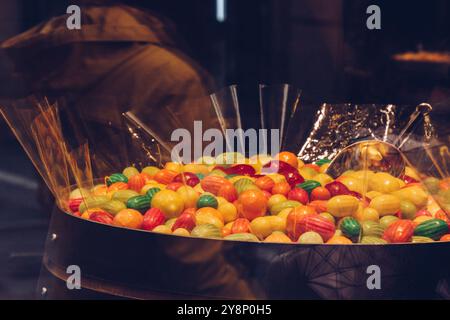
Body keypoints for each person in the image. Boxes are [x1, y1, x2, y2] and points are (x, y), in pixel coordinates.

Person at [1, 0, 214, 175]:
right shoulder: (170, 73)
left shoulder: (57, 55)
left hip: (70, 211)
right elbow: (193, 177)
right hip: (139, 219)